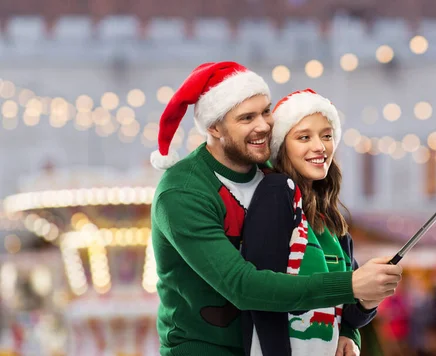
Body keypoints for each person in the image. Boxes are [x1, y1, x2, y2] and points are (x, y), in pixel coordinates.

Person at [150, 61, 404, 355]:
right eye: (247, 118)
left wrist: (347, 330)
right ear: (214, 127)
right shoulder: (185, 191)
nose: (263, 125)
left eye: (266, 111)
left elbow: (333, 254)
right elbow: (241, 286)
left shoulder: (277, 180)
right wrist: (350, 286)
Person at [238, 89, 380, 356]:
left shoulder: (331, 220)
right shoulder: (276, 191)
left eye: (327, 135)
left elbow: (348, 314)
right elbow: (263, 297)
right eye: (304, 137)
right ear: (282, 146)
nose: (320, 146)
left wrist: (368, 300)